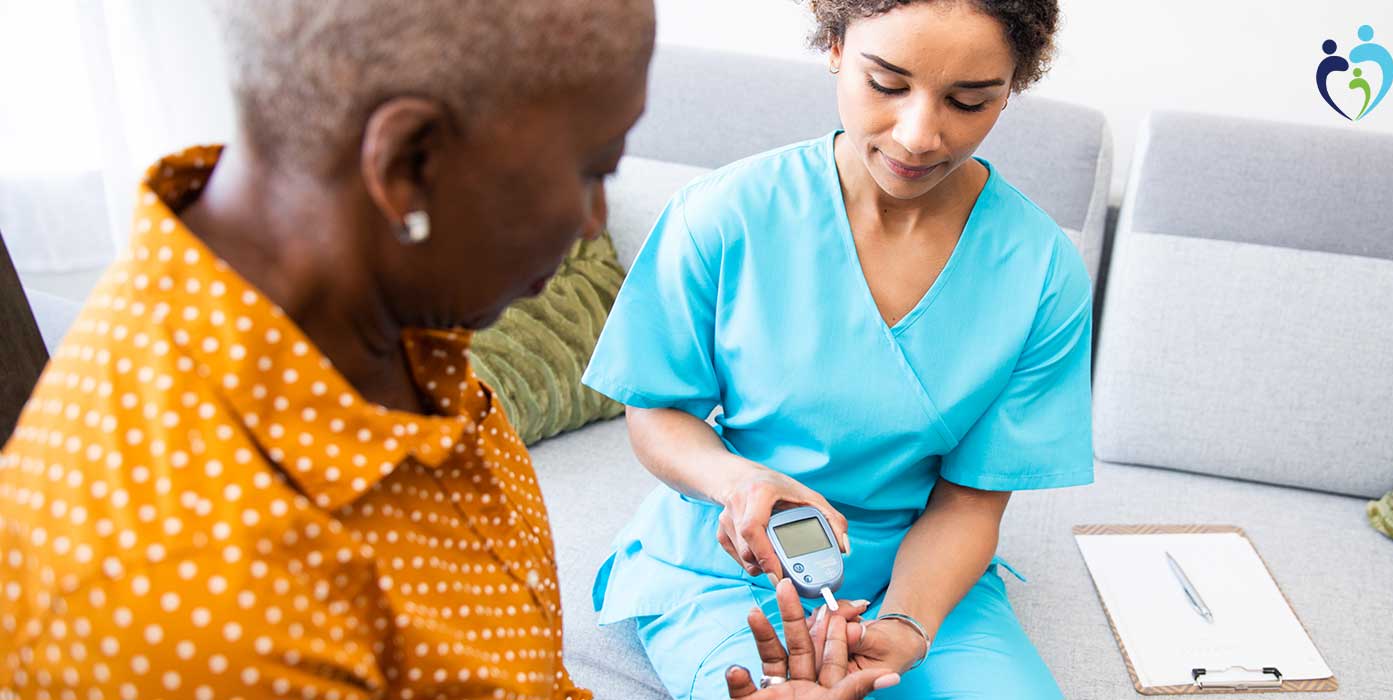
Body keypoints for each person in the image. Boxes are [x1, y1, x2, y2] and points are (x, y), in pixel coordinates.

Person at [0, 1, 888, 698]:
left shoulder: (390, 322)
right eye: (592, 171)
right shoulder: (202, 608)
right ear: (410, 163)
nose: (592, 224)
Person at [581, 0, 1093, 698]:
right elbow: (657, 413)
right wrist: (738, 483)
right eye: (886, 84)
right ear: (832, 45)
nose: (917, 136)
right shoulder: (723, 217)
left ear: (1012, 88)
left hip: (920, 573)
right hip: (731, 561)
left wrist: (911, 623)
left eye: (969, 101)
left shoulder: (1040, 270)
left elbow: (971, 503)